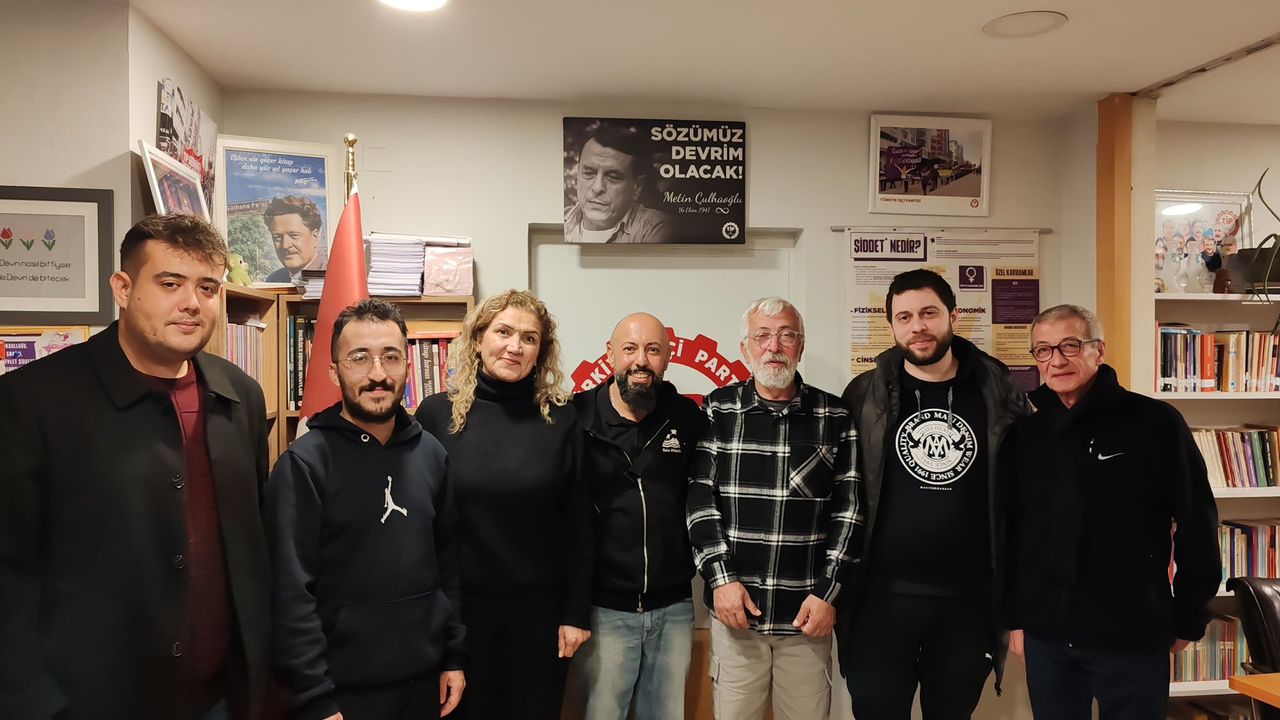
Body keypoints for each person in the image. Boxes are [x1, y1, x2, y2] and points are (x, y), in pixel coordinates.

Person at [0, 214, 272, 720]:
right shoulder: (32, 401)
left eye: (207, 287)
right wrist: (32, 703)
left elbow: (254, 549)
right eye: (170, 283)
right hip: (89, 703)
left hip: (225, 697)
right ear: (123, 289)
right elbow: (9, 571)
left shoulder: (242, 396)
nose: (192, 303)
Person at [1001, 304, 1220, 720]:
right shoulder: (1024, 437)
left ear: (1098, 350)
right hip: (1047, 637)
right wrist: (1016, 619)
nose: (1057, 360)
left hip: (1132, 634)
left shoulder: (1155, 423)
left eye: (1070, 345)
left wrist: (1188, 617)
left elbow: (1198, 523)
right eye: (1043, 350)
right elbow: (1014, 534)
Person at [838, 269, 1030, 720]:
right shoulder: (864, 394)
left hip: (968, 604)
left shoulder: (999, 391)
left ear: (953, 317)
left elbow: (1027, 497)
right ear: (891, 325)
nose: (917, 326)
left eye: (928, 313)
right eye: (904, 317)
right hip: (880, 603)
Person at [266, 299, 465, 720]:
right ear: (333, 371)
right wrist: (314, 697)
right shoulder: (304, 465)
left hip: (424, 684)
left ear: (407, 366)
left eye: (390, 357)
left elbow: (448, 565)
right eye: (359, 358)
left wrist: (453, 655)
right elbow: (290, 593)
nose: (378, 374)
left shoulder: (432, 454)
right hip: (340, 695)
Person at [414, 290, 592, 720]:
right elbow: (420, 524)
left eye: (529, 338)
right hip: (460, 615)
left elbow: (580, 522)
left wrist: (576, 612)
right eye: (503, 332)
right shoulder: (435, 415)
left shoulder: (562, 418)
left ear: (540, 352)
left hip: (541, 617)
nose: (515, 346)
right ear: (478, 339)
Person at [687, 296, 863, 720]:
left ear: (800, 346)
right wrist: (721, 581)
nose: (774, 346)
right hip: (736, 615)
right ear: (745, 348)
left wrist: (828, 593)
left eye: (786, 335)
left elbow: (850, 511)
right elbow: (699, 501)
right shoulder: (718, 409)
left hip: (807, 617)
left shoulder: (834, 415)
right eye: (762, 336)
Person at [570, 313, 706, 720]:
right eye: (629, 348)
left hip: (675, 608)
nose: (641, 361)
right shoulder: (576, 419)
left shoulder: (687, 418)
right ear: (610, 354)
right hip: (604, 610)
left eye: (653, 349)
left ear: (668, 357)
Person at [564, 124, 671, 244]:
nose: (597, 188)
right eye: (589, 173)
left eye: (613, 177)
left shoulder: (658, 228)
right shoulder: (559, 219)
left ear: (637, 187)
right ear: (578, 174)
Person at [263, 195, 325, 283]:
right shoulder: (273, 280)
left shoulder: (335, 276)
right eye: (277, 237)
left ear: (315, 236)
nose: (285, 245)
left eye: (294, 235)